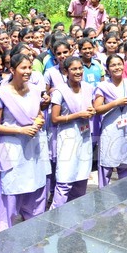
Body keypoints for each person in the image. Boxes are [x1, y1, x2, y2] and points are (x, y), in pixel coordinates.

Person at [0, 54, 49, 231]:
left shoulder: (35, 90)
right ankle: (4, 233)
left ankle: (33, 229)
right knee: (10, 192)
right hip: (11, 147)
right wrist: (20, 130)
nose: (28, 72)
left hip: (32, 146)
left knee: (35, 186)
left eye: (29, 67)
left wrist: (39, 121)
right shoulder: (1, 94)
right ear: (12, 70)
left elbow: (38, 115)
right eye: (23, 68)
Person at [49, 56, 95, 208]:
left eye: (80, 68)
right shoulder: (60, 91)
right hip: (68, 137)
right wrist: (77, 115)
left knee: (81, 177)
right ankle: (56, 216)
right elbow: (54, 118)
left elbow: (92, 107)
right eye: (74, 69)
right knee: (65, 179)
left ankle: (76, 214)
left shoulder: (88, 88)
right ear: (66, 71)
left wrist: (91, 111)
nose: (78, 71)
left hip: (85, 136)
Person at [93, 54, 127, 187]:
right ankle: (103, 197)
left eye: (119, 64)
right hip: (111, 129)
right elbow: (97, 109)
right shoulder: (103, 86)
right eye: (113, 65)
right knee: (107, 164)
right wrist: (115, 103)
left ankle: (126, 196)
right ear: (108, 69)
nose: (117, 67)